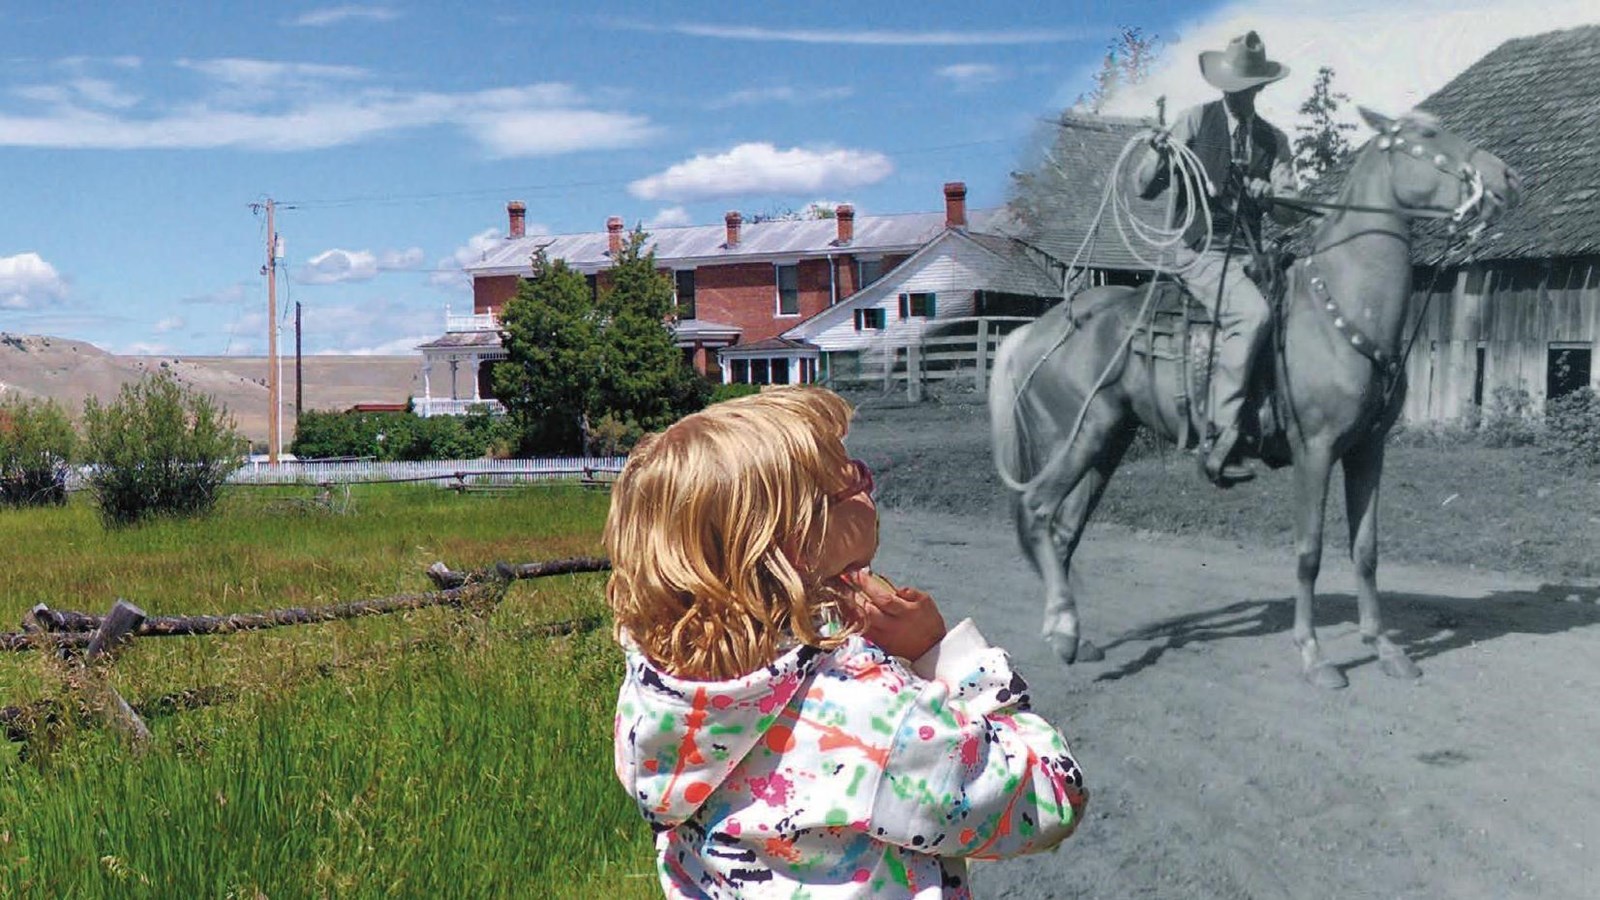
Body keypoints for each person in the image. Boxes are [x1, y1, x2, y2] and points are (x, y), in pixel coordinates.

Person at [606, 386, 1087, 898]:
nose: (868, 485)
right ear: (797, 538)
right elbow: (1050, 797)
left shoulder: (658, 698)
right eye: (851, 476)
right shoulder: (871, 715)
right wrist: (938, 654)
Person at [1134, 30, 1308, 486]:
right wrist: (1157, 154)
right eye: (1234, 89)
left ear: (1260, 89)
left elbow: (1292, 212)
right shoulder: (1192, 122)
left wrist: (1271, 197)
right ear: (1223, 87)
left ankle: (1280, 421)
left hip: (1249, 255)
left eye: (1248, 89)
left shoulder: (1274, 141)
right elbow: (1143, 187)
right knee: (1251, 316)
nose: (1240, 97)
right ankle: (1221, 432)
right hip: (1198, 250)